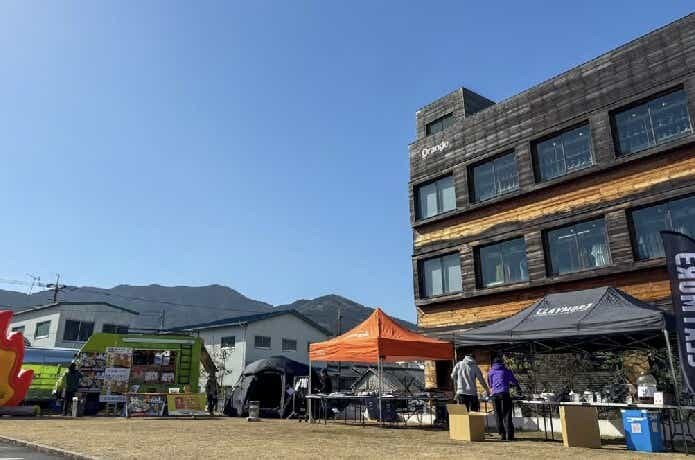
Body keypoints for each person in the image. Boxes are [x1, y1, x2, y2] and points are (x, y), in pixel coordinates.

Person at [487, 357, 521, 441]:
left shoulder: (491, 372)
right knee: (507, 415)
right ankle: (510, 435)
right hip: (505, 394)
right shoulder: (506, 371)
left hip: (495, 395)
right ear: (502, 363)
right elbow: (514, 381)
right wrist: (517, 387)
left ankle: (502, 434)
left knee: (498, 415)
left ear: (493, 364)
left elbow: (490, 384)